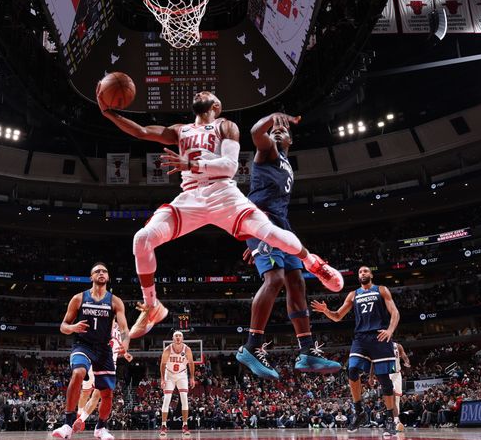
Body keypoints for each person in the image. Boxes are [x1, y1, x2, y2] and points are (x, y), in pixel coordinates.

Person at [98, 90, 343, 338]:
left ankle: (312, 261)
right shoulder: (180, 130)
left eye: (207, 92)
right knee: (141, 239)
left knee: (273, 234)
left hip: (224, 194)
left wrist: (191, 164)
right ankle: (152, 305)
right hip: (191, 197)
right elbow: (140, 131)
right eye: (199, 91)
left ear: (216, 104)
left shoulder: (225, 126)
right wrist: (108, 113)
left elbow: (229, 166)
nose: (200, 92)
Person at [236, 111, 342, 379]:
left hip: (281, 227)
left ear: (291, 142)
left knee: (297, 281)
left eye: (282, 133)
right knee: (275, 279)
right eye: (274, 133)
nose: (276, 133)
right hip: (261, 223)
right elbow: (255, 133)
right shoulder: (267, 152)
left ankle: (306, 350)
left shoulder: (286, 164)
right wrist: (273, 118)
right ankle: (251, 346)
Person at [311, 266, 401, 436]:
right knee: (352, 370)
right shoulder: (353, 294)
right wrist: (326, 311)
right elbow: (337, 316)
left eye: (365, 271)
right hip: (361, 338)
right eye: (360, 272)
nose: (363, 274)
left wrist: (390, 330)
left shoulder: (381, 290)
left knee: (384, 379)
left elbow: (395, 312)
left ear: (371, 275)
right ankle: (358, 410)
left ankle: (390, 418)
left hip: (380, 336)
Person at [52, 262, 130, 440]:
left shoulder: (115, 301)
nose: (101, 273)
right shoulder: (79, 298)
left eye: (104, 271)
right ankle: (67, 423)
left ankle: (101, 428)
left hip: (104, 349)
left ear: (108, 277)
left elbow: (124, 329)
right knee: (78, 373)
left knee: (107, 393)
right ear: (91, 277)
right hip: (83, 345)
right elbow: (63, 326)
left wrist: (125, 343)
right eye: (97, 271)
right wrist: (73, 327)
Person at [72, 321, 133, 434]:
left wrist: (125, 354)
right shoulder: (99, 323)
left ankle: (81, 420)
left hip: (109, 365)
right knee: (86, 392)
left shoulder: (121, 330)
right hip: (94, 361)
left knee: (97, 395)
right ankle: (80, 414)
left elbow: (121, 346)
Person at [159, 331, 196, 437]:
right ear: (173, 338)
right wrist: (162, 379)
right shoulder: (168, 349)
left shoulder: (187, 349)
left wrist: (192, 377)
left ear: (183, 338)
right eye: (176, 336)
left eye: (180, 336)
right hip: (169, 375)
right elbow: (162, 364)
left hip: (182, 375)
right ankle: (163, 425)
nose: (178, 337)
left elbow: (191, 363)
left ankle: (185, 425)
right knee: (166, 399)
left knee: (184, 398)